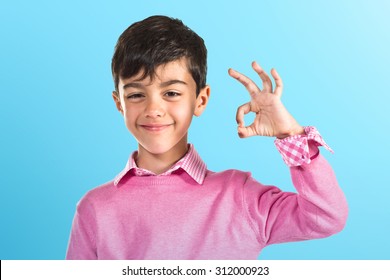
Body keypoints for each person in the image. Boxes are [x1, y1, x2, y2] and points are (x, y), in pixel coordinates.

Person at [66, 15, 348, 260]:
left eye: (172, 93)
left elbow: (326, 217)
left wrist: (291, 135)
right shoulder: (94, 209)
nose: (153, 109)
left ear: (200, 100)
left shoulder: (240, 197)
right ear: (119, 103)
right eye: (137, 94)